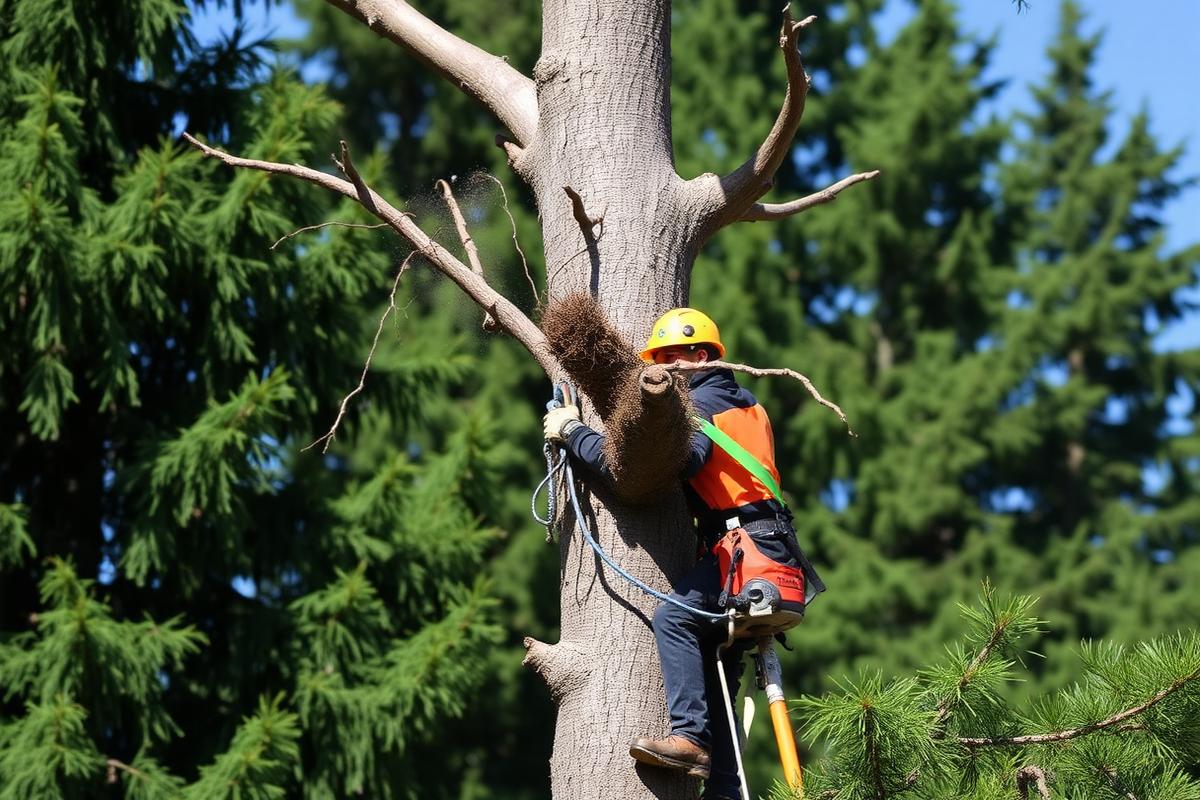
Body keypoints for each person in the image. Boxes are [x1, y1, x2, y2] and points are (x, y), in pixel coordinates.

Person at [542, 308, 822, 800]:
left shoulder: (703, 405)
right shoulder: (746, 404)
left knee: (674, 618)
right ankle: (724, 791)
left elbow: (650, 468)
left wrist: (574, 433)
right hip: (761, 556)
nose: (667, 371)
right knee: (716, 682)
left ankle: (689, 738)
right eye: (661, 361)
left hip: (747, 554)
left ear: (701, 356)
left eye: (675, 360)